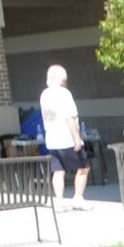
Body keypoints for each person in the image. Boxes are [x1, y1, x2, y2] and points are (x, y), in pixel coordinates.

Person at [39, 65, 90, 208]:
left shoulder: (45, 95)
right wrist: (77, 138)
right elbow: (69, 117)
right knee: (83, 168)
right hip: (67, 139)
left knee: (58, 170)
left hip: (52, 139)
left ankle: (59, 201)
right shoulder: (64, 94)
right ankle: (78, 198)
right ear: (62, 79)